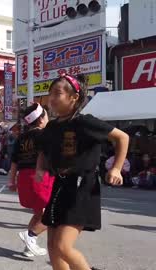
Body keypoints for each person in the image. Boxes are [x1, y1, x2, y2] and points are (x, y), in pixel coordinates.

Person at [36, 74, 129, 270]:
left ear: (73, 97)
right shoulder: (52, 126)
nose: (51, 98)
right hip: (60, 185)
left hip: (82, 186)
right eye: (50, 94)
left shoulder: (85, 122)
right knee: (53, 247)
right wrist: (39, 169)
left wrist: (117, 168)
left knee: (63, 246)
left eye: (57, 93)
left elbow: (122, 137)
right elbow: (43, 151)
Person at [8, 103, 53, 257]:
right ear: (40, 119)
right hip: (40, 177)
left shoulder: (21, 138)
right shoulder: (44, 135)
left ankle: (29, 247)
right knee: (54, 214)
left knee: (38, 213)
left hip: (24, 178)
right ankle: (31, 236)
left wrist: (11, 181)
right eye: (46, 115)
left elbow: (14, 161)